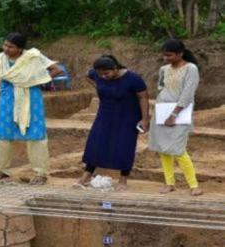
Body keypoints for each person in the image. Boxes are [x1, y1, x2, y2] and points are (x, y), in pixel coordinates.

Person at [0, 32, 62, 185]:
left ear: (20, 49)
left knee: (35, 135)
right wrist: (0, 78)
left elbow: (56, 69)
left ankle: (40, 173)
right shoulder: (0, 58)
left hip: (30, 98)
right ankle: (2, 170)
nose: (6, 49)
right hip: (7, 99)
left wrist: (36, 80)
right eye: (5, 45)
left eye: (11, 47)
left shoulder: (33, 57)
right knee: (2, 134)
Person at [75, 55, 150, 191]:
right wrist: (99, 86)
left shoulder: (133, 79)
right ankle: (86, 176)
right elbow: (87, 75)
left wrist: (145, 119)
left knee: (124, 146)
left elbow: (143, 97)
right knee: (96, 143)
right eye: (100, 74)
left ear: (115, 68)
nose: (103, 76)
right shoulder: (97, 75)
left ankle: (123, 179)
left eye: (106, 73)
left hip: (128, 116)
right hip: (105, 114)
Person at [149, 39, 202, 196]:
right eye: (164, 55)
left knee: (178, 150)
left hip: (180, 113)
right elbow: (161, 86)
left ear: (180, 53)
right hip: (162, 111)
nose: (166, 58)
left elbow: (188, 93)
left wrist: (174, 114)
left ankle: (193, 185)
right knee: (164, 149)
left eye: (170, 55)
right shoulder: (164, 69)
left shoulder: (191, 69)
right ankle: (169, 183)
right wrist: (165, 102)